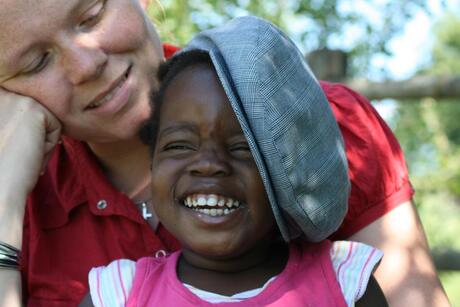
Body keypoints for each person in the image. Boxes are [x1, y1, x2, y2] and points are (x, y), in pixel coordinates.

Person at [0, 0, 448, 306]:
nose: (86, 64)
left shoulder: (327, 130)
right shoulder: (28, 200)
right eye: (37, 62)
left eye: (91, 15)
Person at [83, 18, 387, 305]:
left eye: (242, 148)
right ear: (153, 165)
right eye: (179, 145)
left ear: (289, 170)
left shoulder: (344, 285)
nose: (208, 164)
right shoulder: (118, 296)